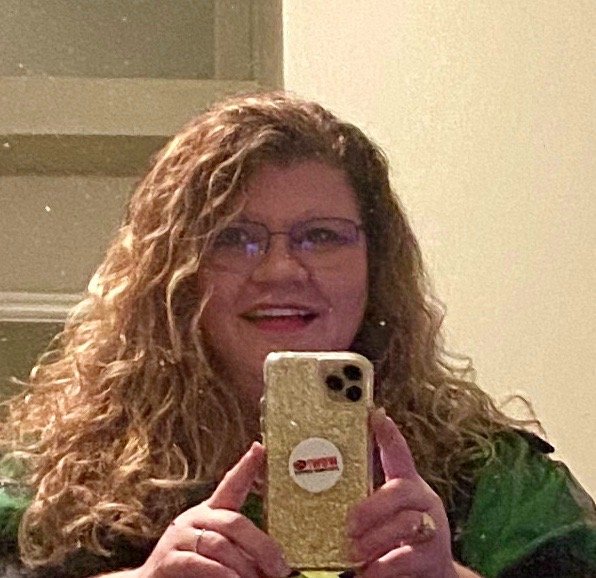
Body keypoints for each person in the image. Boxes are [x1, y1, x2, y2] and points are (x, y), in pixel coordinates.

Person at [0, 92, 594, 578]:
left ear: (376, 263)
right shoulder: (54, 477)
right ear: (173, 275)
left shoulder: (488, 476)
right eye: (233, 238)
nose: (281, 270)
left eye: (321, 236)